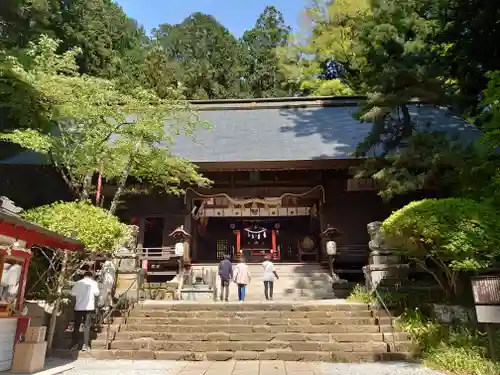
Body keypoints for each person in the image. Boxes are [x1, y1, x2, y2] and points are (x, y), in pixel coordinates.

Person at [70, 271, 100, 351]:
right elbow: (97, 293)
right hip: (89, 307)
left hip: (78, 307)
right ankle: (86, 345)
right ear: (91, 276)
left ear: (84, 276)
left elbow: (72, 294)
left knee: (76, 326)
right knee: (87, 326)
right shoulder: (94, 283)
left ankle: (74, 344)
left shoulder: (78, 283)